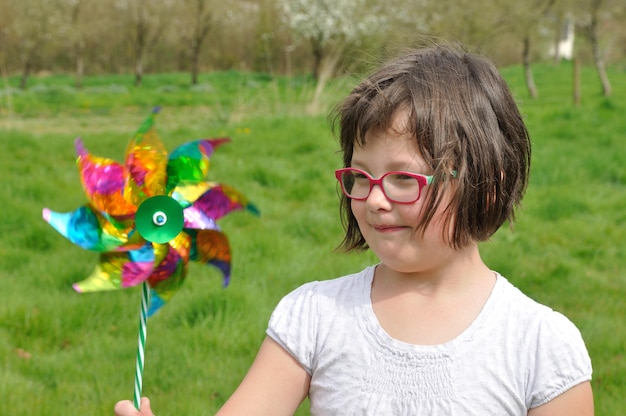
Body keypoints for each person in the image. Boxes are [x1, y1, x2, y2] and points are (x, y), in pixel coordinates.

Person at [115, 43, 593, 416]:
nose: (375, 198)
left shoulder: (541, 346)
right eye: (361, 176)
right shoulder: (314, 317)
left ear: (487, 185)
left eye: (404, 178)